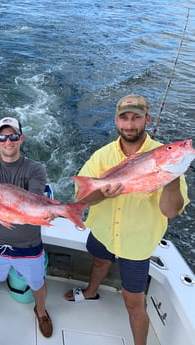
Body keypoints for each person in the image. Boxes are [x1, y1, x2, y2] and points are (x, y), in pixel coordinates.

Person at [63, 94, 190, 345]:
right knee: (99, 261)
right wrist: (102, 192)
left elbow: (170, 211)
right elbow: (83, 197)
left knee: (134, 303)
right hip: (103, 231)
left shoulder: (165, 156)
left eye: (136, 118)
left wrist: (172, 176)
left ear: (147, 119)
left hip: (137, 244)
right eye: (124, 118)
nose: (130, 125)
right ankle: (90, 292)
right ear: (116, 121)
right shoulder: (103, 156)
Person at [0, 117, 53, 338]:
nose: (8, 141)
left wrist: (46, 211)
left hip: (29, 242)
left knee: (37, 282)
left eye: (13, 136)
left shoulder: (35, 169)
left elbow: (34, 201)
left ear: (21, 138)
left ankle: (41, 311)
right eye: (2, 137)